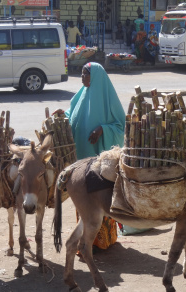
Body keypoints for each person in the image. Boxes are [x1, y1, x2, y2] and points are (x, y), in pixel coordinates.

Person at [53, 62, 125, 250]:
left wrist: (103, 129)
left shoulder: (107, 97)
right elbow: (72, 113)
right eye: (82, 74)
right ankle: (88, 239)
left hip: (100, 160)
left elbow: (120, 127)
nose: (82, 78)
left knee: (101, 196)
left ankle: (103, 240)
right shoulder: (81, 95)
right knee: (84, 196)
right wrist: (63, 114)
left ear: (96, 77)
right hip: (82, 157)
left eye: (86, 74)